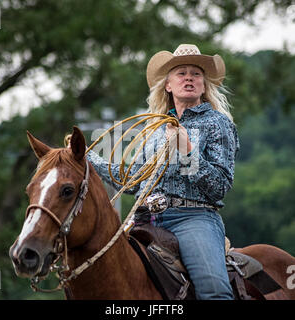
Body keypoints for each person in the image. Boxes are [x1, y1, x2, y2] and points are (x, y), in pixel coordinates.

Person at [87, 44, 239, 300]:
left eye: (196, 73)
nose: (189, 77)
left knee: (214, 292)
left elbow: (220, 185)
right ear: (168, 85)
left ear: (203, 85)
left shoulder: (218, 123)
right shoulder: (154, 129)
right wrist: (87, 157)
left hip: (194, 217)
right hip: (145, 218)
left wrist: (188, 153)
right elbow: (132, 181)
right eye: (181, 73)